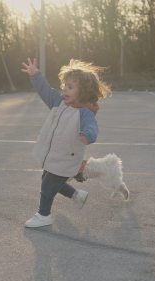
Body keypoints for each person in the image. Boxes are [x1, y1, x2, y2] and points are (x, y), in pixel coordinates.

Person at [20, 57, 111, 228]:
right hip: (55, 155)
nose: (64, 90)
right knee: (49, 179)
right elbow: (45, 91)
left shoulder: (85, 112)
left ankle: (43, 215)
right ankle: (77, 195)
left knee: (48, 185)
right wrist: (36, 75)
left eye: (70, 87)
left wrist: (87, 135)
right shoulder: (58, 102)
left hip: (67, 157)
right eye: (64, 86)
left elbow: (92, 128)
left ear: (83, 91)